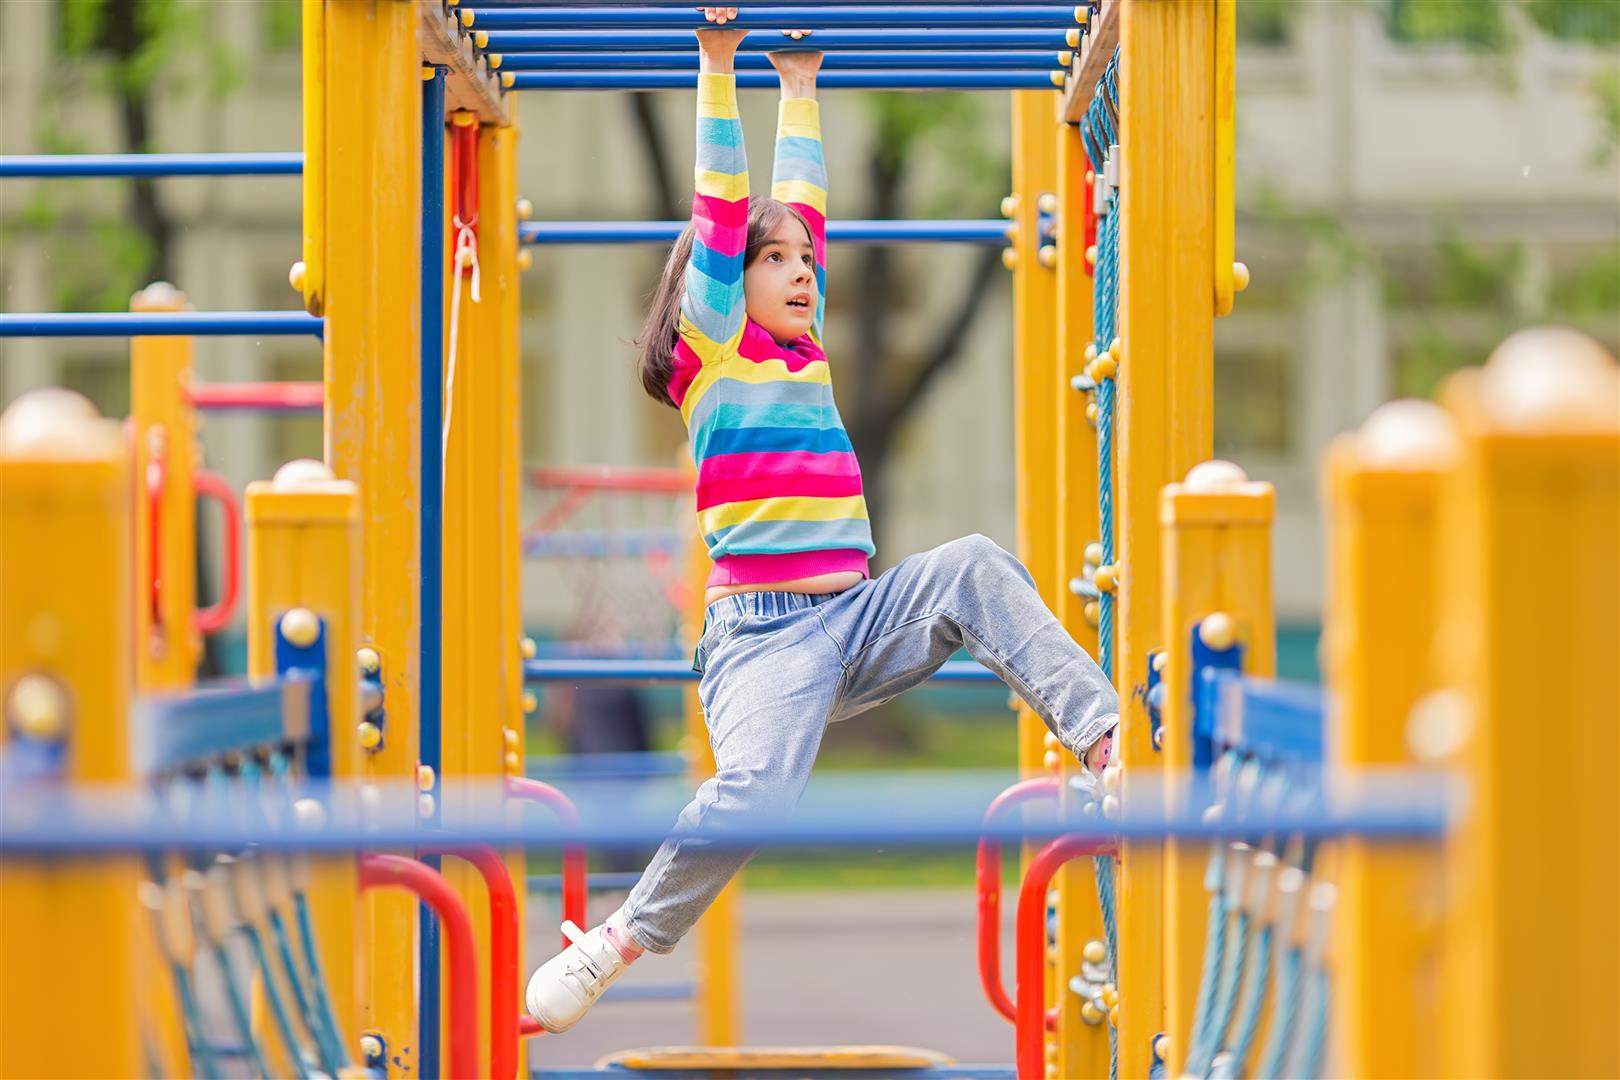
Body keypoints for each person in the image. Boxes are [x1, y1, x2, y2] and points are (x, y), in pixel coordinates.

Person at [525, 8, 1119, 1032]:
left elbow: (805, 204)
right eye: (776, 260)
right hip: (763, 641)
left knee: (974, 565)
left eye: (806, 260)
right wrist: (719, 68)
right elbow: (724, 209)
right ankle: (620, 938)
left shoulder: (805, 350)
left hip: (859, 613)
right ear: (721, 281)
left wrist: (800, 88)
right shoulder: (716, 350)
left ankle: (1107, 744)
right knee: (754, 791)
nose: (802, 271)